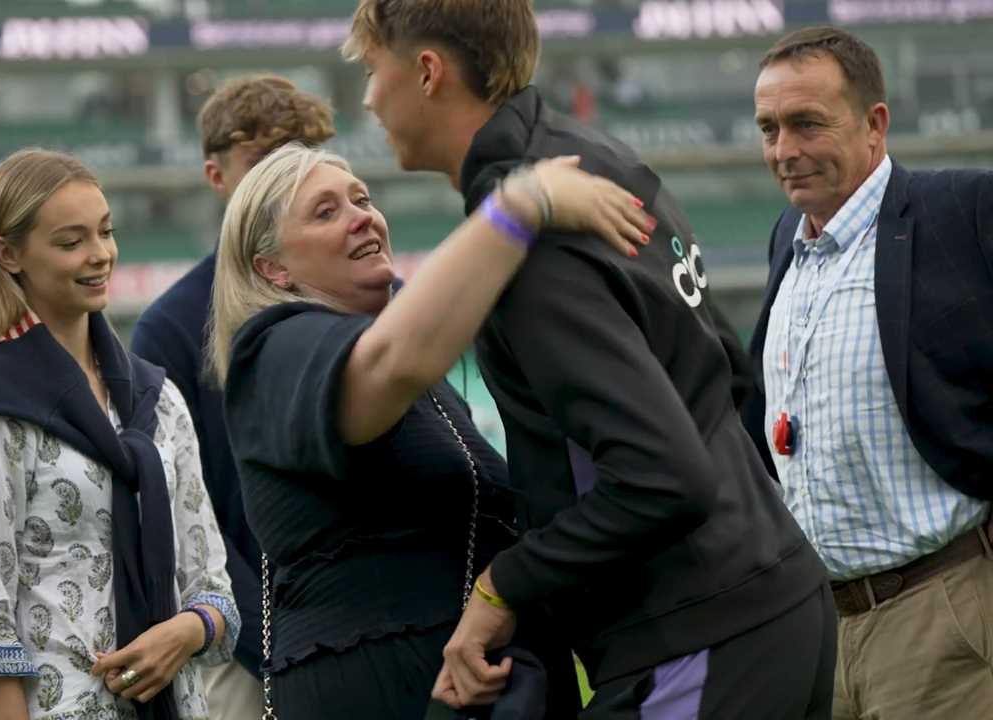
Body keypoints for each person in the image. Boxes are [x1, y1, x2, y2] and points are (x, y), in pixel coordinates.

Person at [342, 1, 836, 717]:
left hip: (697, 631)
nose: (366, 95)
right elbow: (726, 373)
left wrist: (503, 584)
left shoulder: (535, 232)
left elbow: (665, 477)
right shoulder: (599, 161)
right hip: (763, 600)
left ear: (426, 72)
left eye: (370, 68)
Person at [212, 142, 650, 719]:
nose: (361, 216)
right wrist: (520, 206)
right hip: (379, 690)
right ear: (273, 268)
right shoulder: (273, 345)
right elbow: (395, 361)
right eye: (326, 212)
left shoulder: (417, 378)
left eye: (362, 199)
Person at [0, 148, 239, 720]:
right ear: (8, 254)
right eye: (71, 242)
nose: (100, 256)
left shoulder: (157, 399)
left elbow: (213, 590)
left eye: (106, 233)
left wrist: (186, 633)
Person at [741, 26, 993, 719]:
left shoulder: (961, 211)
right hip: (821, 629)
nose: (784, 151)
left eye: (806, 124)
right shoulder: (784, 244)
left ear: (874, 124)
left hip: (941, 615)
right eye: (769, 129)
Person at [129, 74, 335, 718]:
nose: (284, 174)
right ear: (215, 175)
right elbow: (181, 513)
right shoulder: (170, 326)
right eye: (261, 160)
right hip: (247, 648)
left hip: (374, 622)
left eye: (300, 154)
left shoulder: (361, 295)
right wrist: (269, 640)